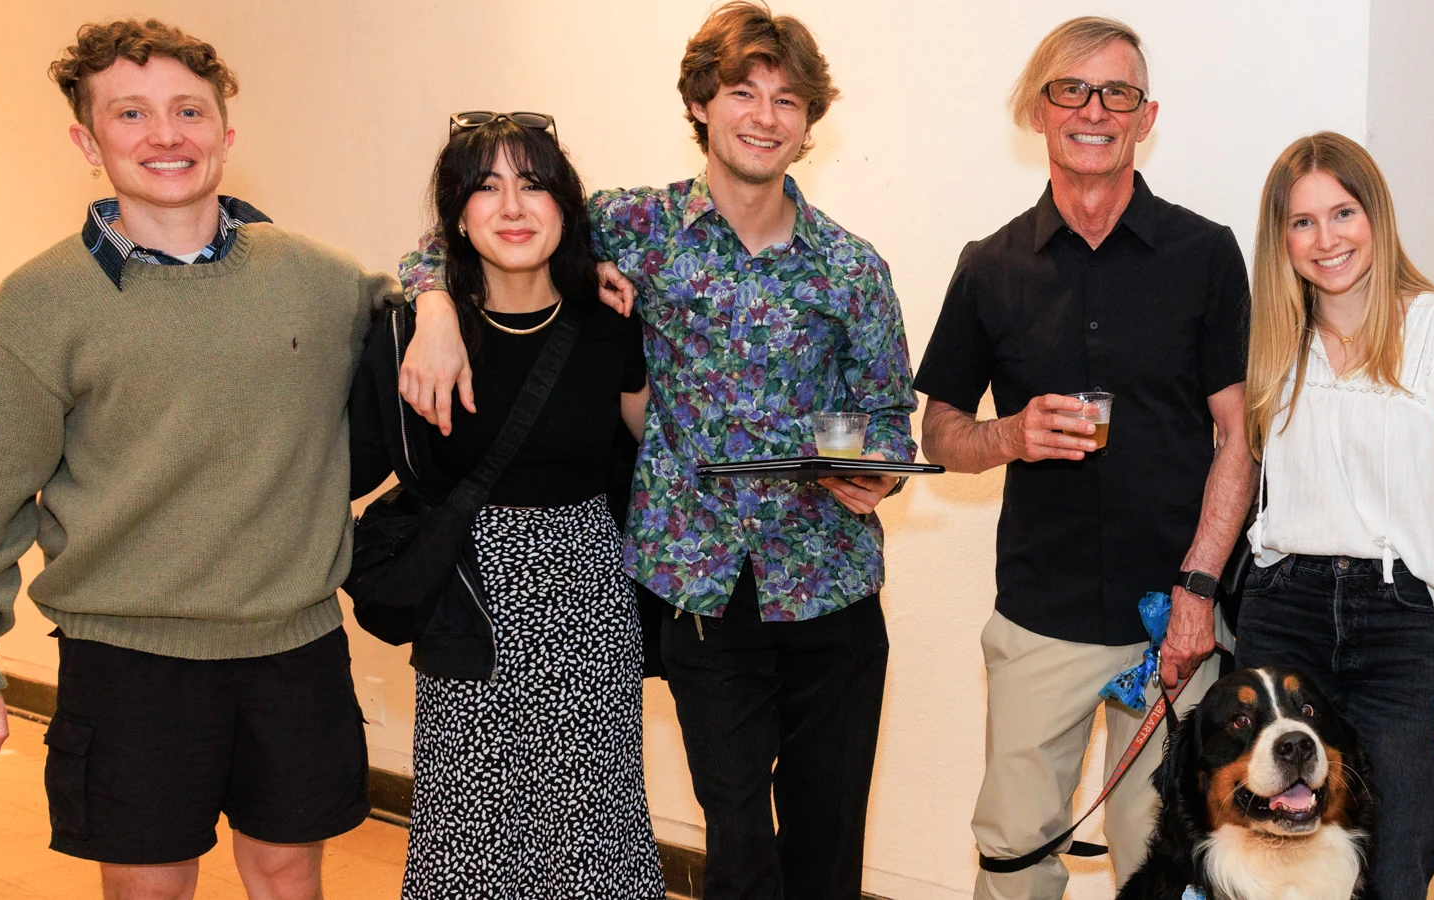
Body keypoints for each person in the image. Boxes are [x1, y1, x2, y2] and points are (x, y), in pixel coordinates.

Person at [396, 5, 915, 897]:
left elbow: (888, 418)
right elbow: (457, 238)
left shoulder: (851, 267)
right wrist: (435, 310)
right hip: (700, 590)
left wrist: (874, 471)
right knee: (739, 835)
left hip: (830, 587)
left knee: (830, 839)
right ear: (702, 107)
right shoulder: (632, 225)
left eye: (787, 100)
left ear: (808, 124)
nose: (764, 115)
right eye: (742, 92)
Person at [0, 18, 428, 899]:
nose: (165, 136)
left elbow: (429, 303)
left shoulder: (318, 278)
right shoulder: (42, 303)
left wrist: (442, 296)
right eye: (131, 115)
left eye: (189, 110)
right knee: (150, 889)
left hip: (292, 644)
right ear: (86, 140)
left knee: (286, 878)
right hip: (128, 658)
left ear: (227, 132)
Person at [913, 16, 1251, 898]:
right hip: (1040, 615)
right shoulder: (989, 266)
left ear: (1146, 118)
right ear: (1038, 110)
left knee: (1163, 857)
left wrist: (1199, 593)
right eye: (1071, 89)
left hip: (1172, 619)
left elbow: (1239, 439)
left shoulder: (1206, 254)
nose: (1094, 109)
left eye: (1118, 93)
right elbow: (938, 431)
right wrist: (1009, 435)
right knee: (1016, 853)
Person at [352, 112, 664, 897]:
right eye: (486, 187)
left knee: (593, 827)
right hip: (469, 596)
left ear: (566, 204)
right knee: (469, 829)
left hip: (589, 595)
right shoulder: (420, 333)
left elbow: (659, 454)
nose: (513, 207)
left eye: (534, 184)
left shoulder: (608, 324)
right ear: (457, 213)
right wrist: (429, 308)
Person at [1236, 131, 1434, 900]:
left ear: (1377, 216)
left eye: (1343, 213)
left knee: (1397, 858)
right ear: (1280, 238)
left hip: (1404, 626)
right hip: (1284, 611)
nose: (1326, 240)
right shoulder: (1272, 344)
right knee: (1272, 858)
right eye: (1302, 222)